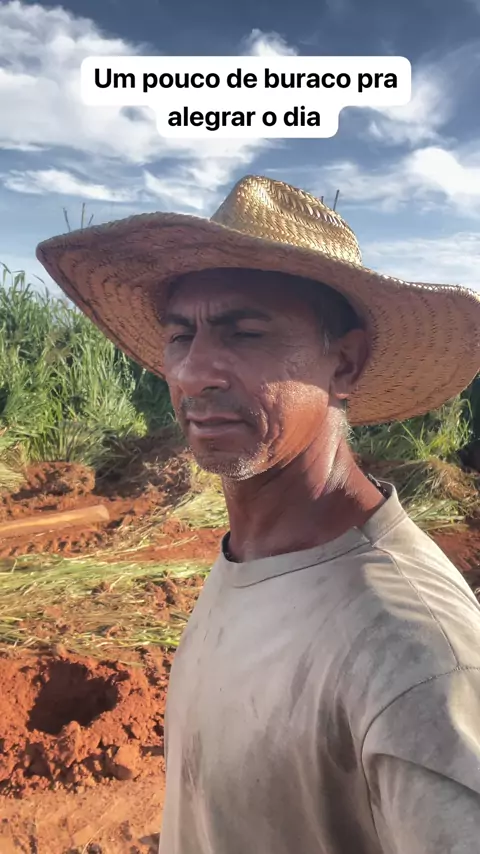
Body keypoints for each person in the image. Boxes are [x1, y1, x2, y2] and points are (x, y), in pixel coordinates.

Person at [37, 175, 480, 854]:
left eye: (245, 333)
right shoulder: (254, 556)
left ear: (345, 364)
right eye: (180, 335)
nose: (193, 373)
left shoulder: (415, 656)